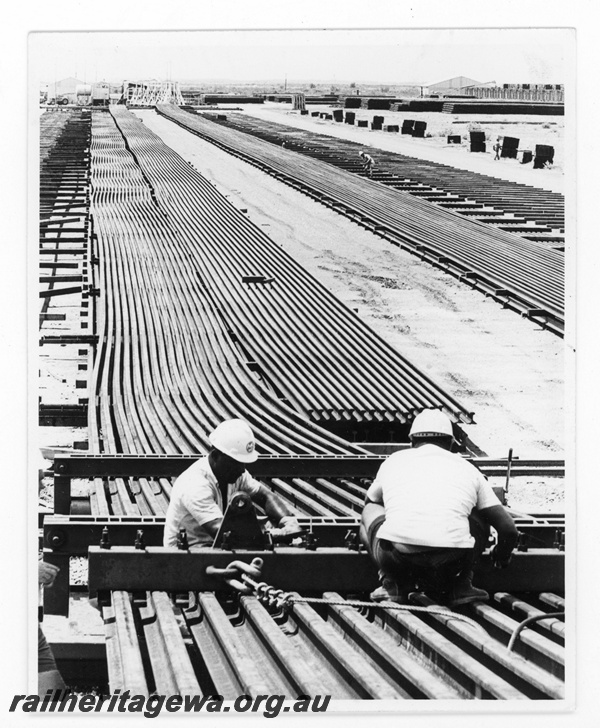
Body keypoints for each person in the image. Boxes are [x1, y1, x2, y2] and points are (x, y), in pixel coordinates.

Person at [360, 409, 518, 607]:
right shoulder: (468, 468)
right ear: (451, 443)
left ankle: (392, 584)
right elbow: (508, 529)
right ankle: (461, 585)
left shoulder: (394, 461)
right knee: (481, 510)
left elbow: (370, 500)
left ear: (412, 442)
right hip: (453, 562)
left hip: (399, 559)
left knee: (370, 509)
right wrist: (502, 556)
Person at [164, 419, 302, 548]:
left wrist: (287, 521)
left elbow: (265, 496)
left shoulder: (234, 472)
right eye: (236, 462)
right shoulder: (195, 483)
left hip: (216, 548)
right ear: (215, 456)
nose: (242, 469)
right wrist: (275, 534)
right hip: (188, 556)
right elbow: (222, 532)